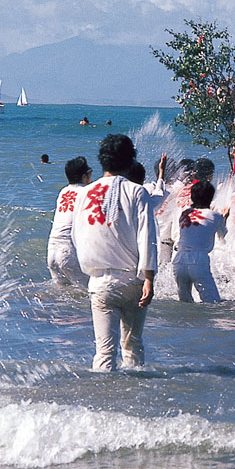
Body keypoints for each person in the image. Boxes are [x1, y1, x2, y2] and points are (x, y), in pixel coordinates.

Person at [70, 134, 157, 370]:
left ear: (102, 161)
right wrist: (149, 277)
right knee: (133, 346)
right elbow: (147, 237)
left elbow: (77, 237)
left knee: (104, 353)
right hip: (133, 281)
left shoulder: (84, 193)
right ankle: (135, 398)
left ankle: (101, 400)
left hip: (100, 283)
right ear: (130, 160)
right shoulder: (138, 192)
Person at [171, 179, 227, 302]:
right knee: (213, 302)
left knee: (184, 302)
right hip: (198, 261)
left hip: (178, 260)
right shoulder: (216, 215)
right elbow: (223, 237)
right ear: (211, 197)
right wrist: (224, 218)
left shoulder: (184, 213)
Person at [47, 157, 92, 286]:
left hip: (52, 251)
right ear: (85, 176)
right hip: (68, 252)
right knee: (86, 294)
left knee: (62, 296)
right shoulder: (86, 192)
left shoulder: (63, 191)